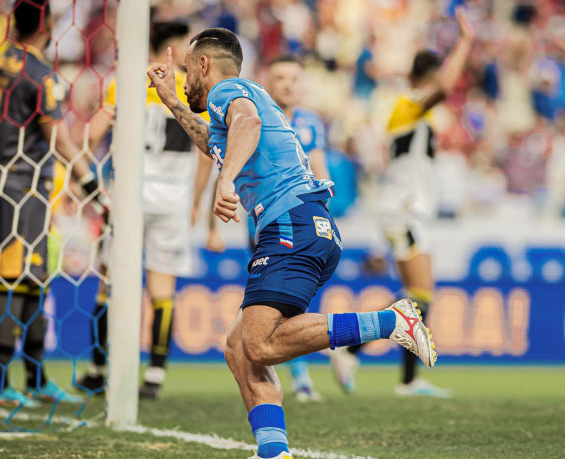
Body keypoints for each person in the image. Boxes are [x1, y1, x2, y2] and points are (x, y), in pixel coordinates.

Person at [147, 28, 436, 459]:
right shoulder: (233, 103)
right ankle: (272, 450)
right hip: (298, 223)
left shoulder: (230, 91)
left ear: (204, 65)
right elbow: (216, 144)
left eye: (187, 71)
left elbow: (248, 123)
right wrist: (172, 101)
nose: (185, 80)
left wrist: (226, 182)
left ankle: (391, 323)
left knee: (260, 343)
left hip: (291, 222)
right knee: (239, 348)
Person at [0, 0, 103, 407]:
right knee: (15, 279)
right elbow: (56, 135)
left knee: (35, 278)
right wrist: (88, 181)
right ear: (50, 25)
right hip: (25, 184)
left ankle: (35, 380)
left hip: (2, 179)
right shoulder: (40, 73)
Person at [330, 10, 473, 399]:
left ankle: (405, 378)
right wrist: (466, 43)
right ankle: (353, 348)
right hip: (405, 208)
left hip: (409, 207)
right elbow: (444, 86)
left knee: (417, 294)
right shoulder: (411, 103)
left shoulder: (408, 110)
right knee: (421, 294)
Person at [74, 21, 214, 399]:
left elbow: (91, 138)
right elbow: (205, 156)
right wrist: (197, 203)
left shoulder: (128, 81)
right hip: (172, 200)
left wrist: (87, 183)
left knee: (110, 281)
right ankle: (154, 376)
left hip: (128, 196)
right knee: (162, 289)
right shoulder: (191, 88)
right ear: (177, 46)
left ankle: (98, 368)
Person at [258, 54, 331, 402]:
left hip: (302, 220)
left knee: (289, 302)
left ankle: (298, 376)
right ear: (268, 83)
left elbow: (321, 171)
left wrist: (324, 208)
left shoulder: (311, 122)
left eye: (293, 78)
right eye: (280, 77)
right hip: (267, 220)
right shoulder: (256, 117)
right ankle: (295, 375)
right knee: (275, 304)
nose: (287, 84)